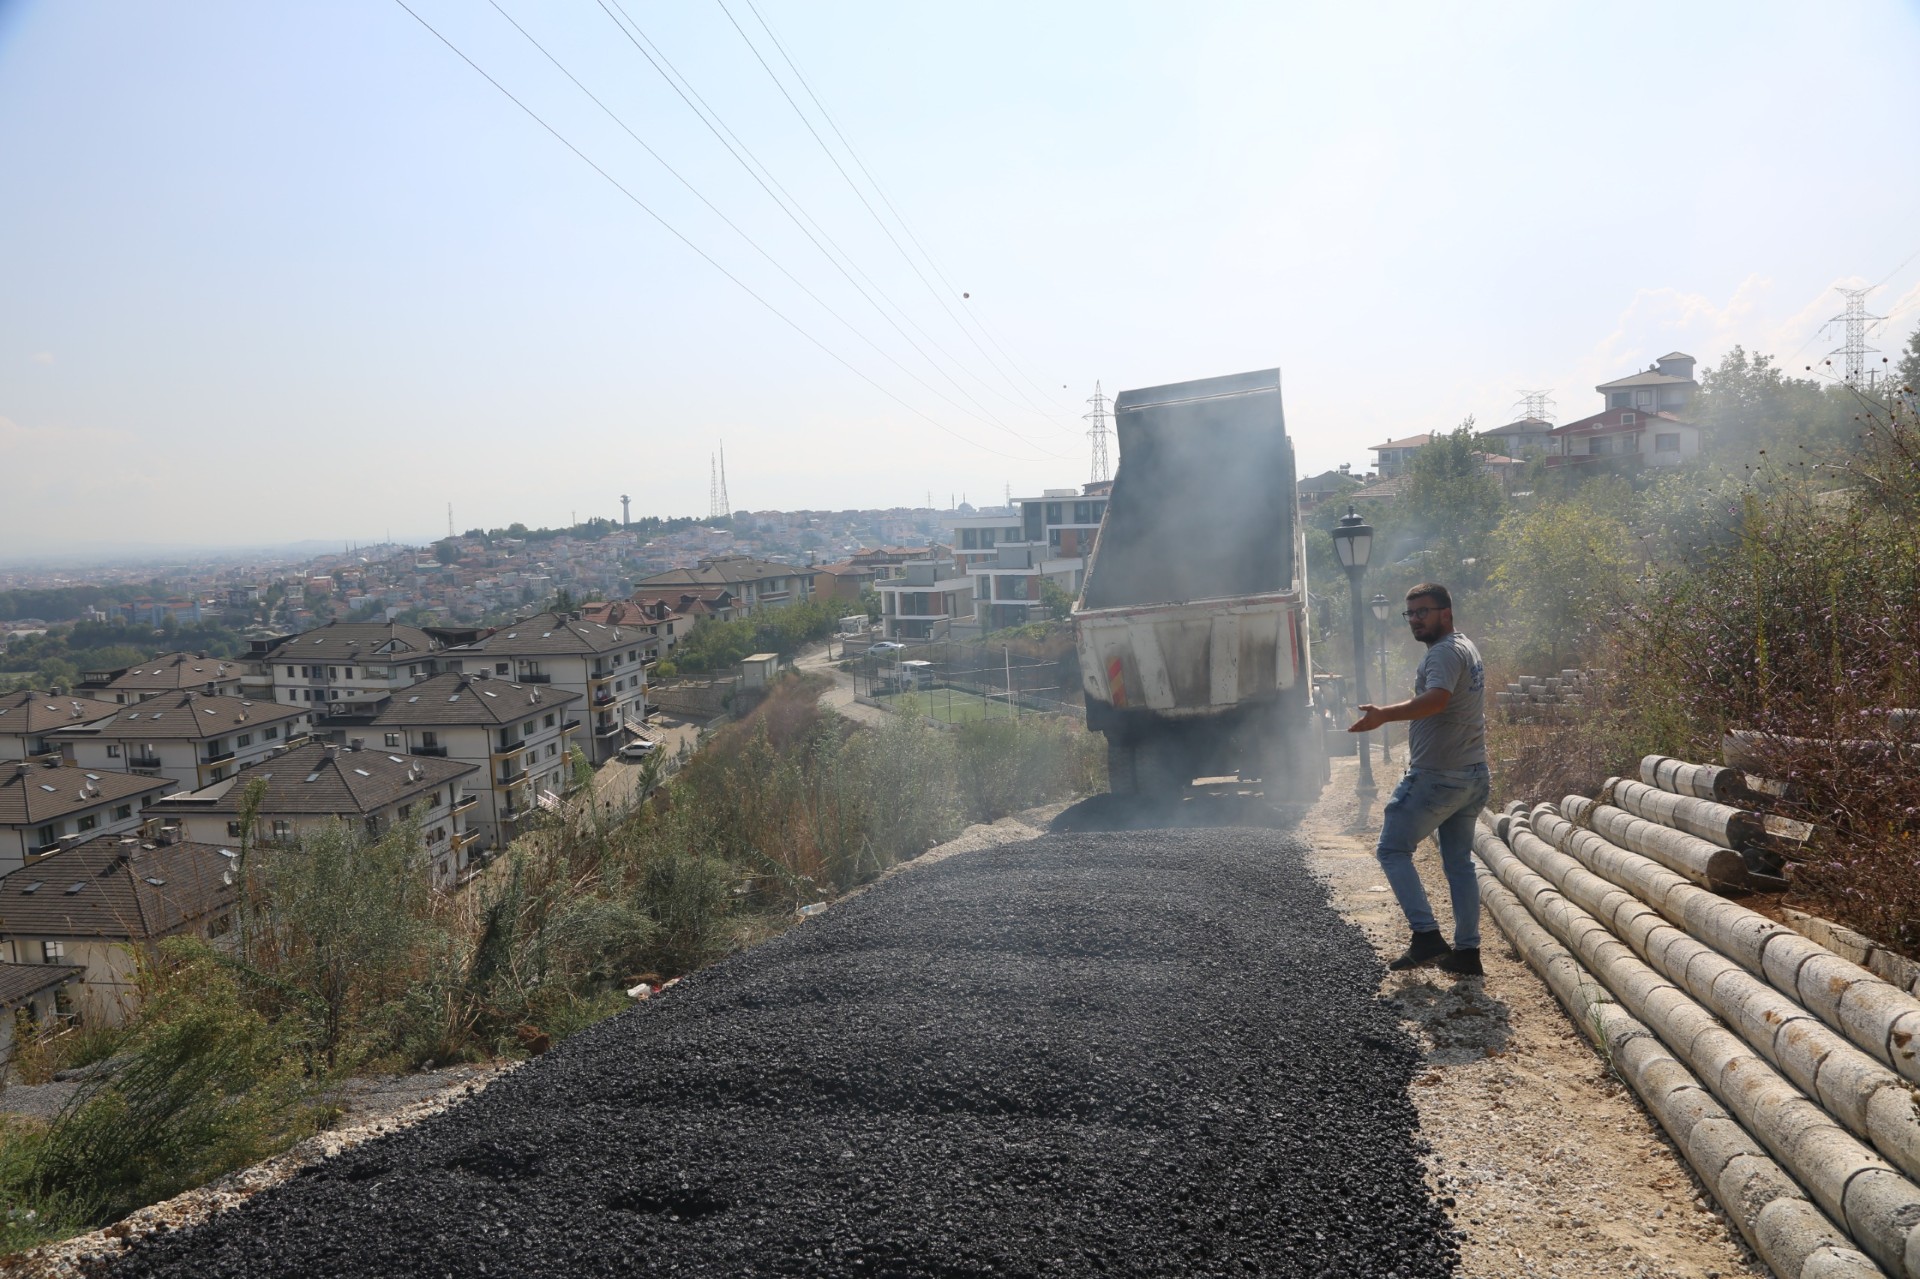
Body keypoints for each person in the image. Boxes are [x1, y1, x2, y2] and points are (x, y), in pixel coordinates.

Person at [1348, 583, 1489, 977]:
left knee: (1392, 849)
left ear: (1446, 611)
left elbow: (1438, 699)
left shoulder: (1443, 654)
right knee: (1459, 864)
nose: (1414, 620)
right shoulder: (1466, 646)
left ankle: (1426, 935)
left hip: (1438, 777)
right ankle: (1467, 953)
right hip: (1473, 774)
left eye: (1422, 612)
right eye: (1409, 613)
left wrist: (1382, 716)